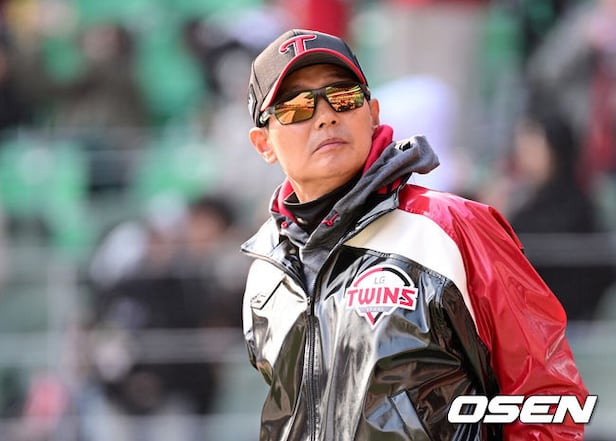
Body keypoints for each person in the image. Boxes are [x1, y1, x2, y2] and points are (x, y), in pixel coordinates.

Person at [241, 29, 589, 440]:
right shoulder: (266, 271)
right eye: (297, 107)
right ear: (263, 143)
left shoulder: (451, 228)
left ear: (372, 114)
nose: (326, 116)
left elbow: (548, 401)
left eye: (343, 97)